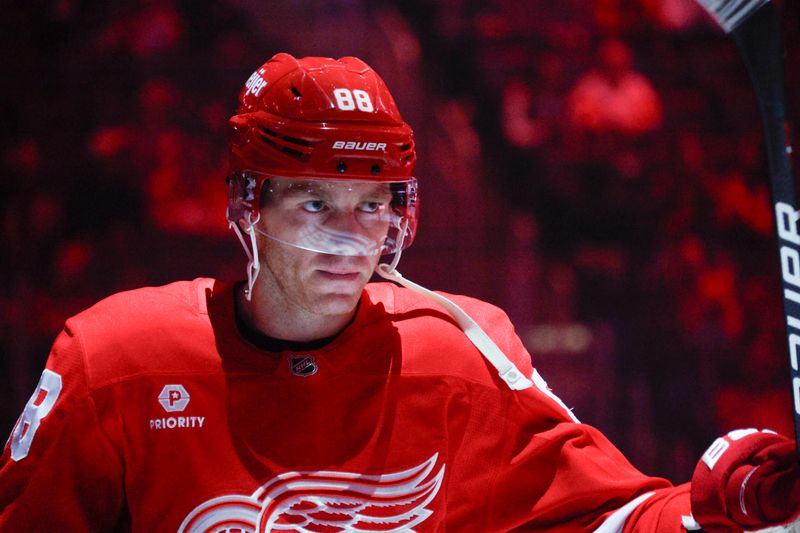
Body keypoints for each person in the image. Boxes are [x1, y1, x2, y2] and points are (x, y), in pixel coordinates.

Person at [1, 52, 798, 532]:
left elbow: (597, 517)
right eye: (317, 202)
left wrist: (716, 510)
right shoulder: (114, 362)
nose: (353, 237)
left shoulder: (460, 348)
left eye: (374, 202)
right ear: (249, 205)